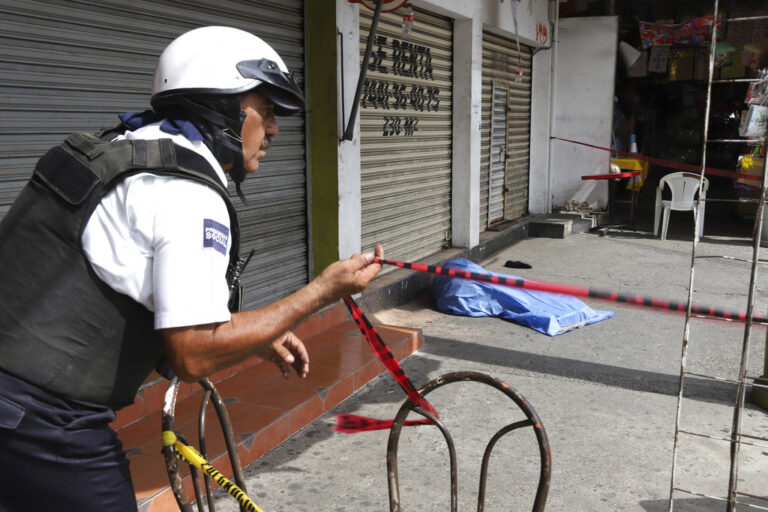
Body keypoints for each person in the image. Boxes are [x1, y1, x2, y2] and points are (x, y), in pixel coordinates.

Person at [0, 26, 383, 511]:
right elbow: (194, 354)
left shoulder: (121, 150)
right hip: (44, 422)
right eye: (265, 111)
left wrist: (260, 332)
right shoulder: (187, 193)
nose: (275, 130)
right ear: (221, 106)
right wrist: (321, 292)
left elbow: (124, 284)